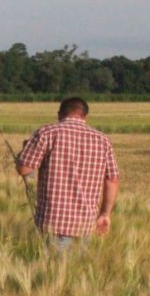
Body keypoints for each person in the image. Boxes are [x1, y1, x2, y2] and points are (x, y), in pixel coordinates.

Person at [16, 97, 120, 252]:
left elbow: (25, 169)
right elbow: (112, 180)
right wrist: (105, 214)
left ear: (60, 114)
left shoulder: (46, 133)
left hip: (53, 221)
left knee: (53, 271)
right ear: (85, 116)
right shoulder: (102, 140)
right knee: (78, 271)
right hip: (86, 223)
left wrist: (22, 154)